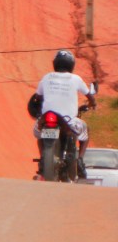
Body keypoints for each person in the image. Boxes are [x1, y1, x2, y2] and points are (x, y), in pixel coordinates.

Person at [33, 49, 96, 178]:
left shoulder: (46, 77)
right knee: (86, 130)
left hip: (47, 118)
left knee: (39, 134)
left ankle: (43, 158)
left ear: (55, 63)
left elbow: (37, 97)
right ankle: (80, 160)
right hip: (69, 121)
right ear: (71, 65)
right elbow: (90, 96)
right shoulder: (76, 79)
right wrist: (93, 104)